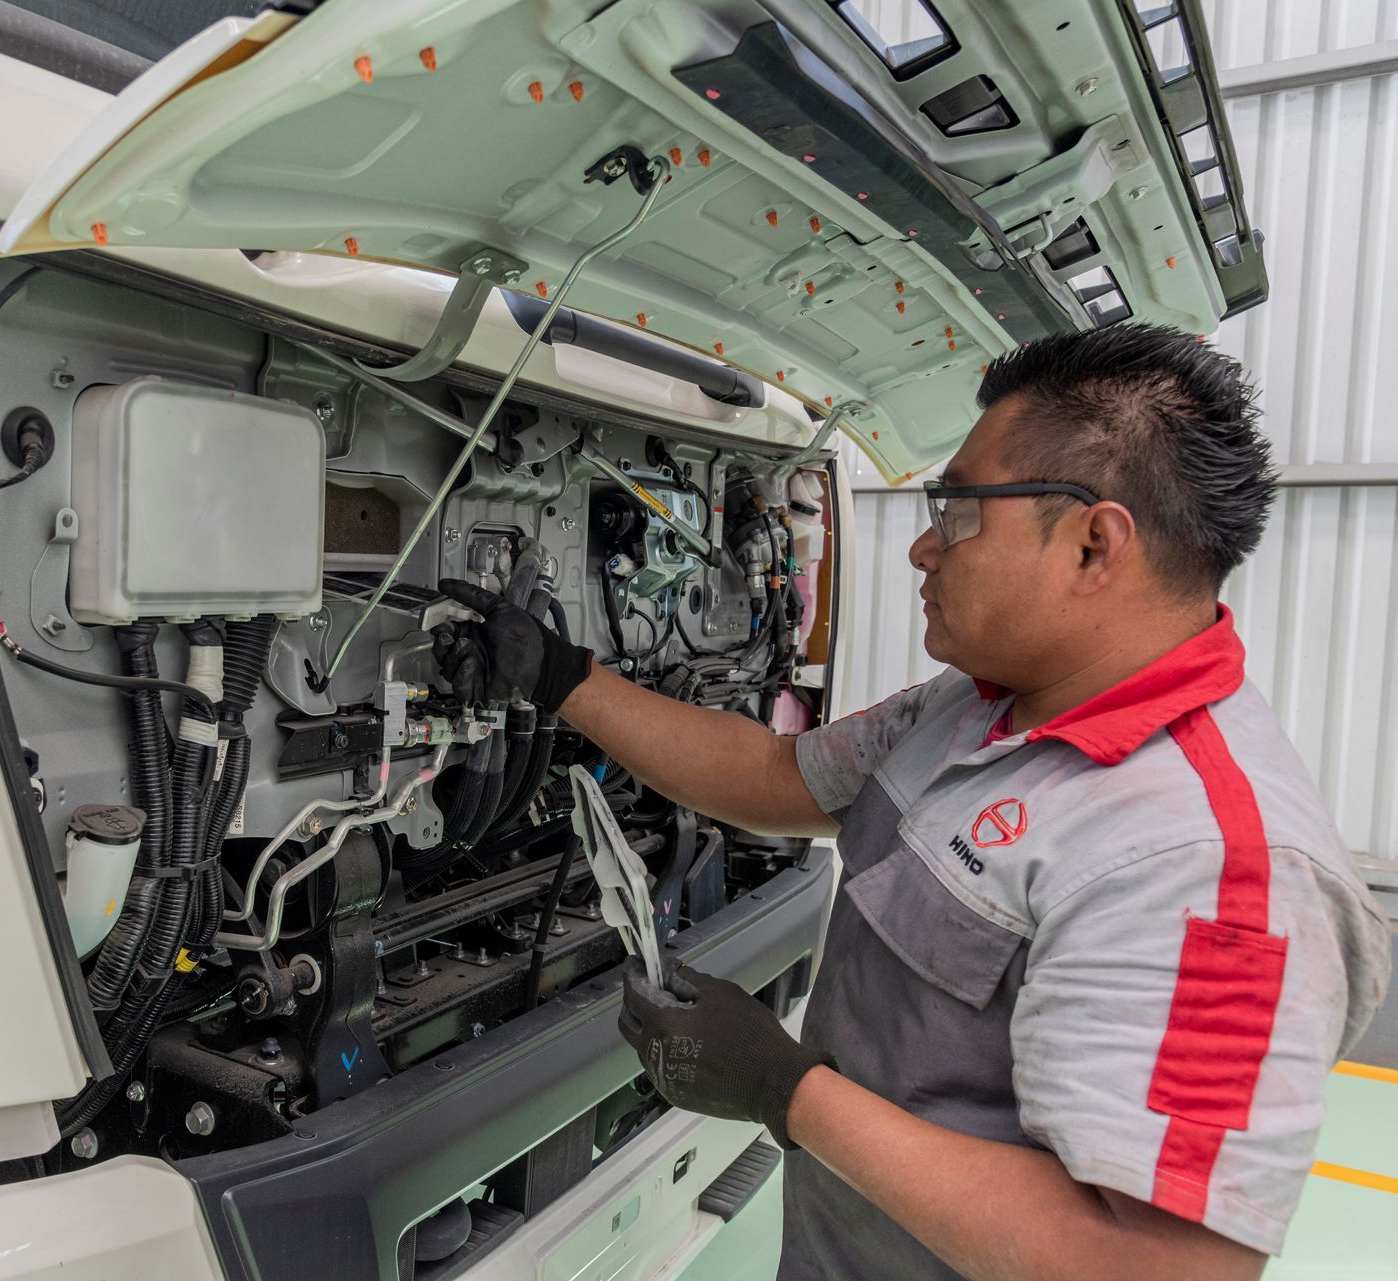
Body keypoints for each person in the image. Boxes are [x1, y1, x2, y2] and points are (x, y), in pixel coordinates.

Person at [431, 324, 1390, 1281]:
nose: (924, 547)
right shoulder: (973, 706)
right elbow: (772, 776)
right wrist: (560, 676)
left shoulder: (1215, 868)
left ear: (1096, 544)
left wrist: (785, 1087)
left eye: (961, 510)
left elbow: (1159, 1267)